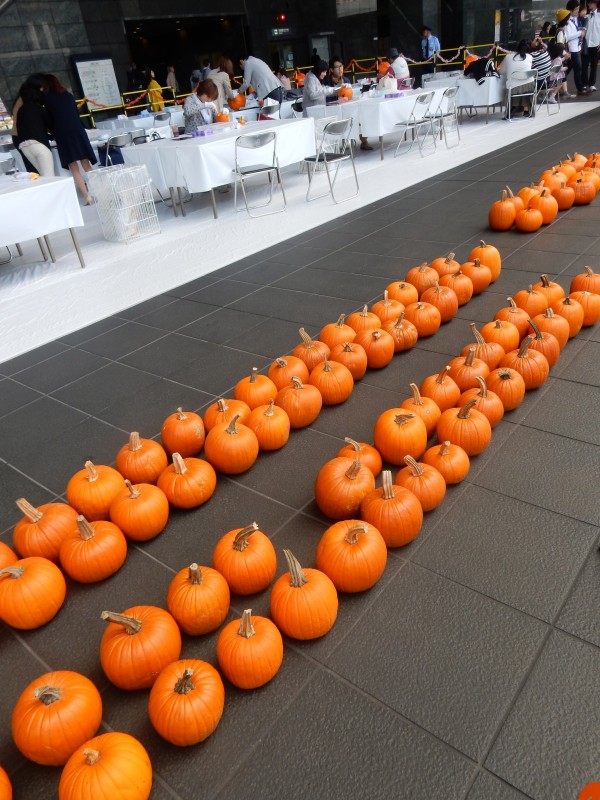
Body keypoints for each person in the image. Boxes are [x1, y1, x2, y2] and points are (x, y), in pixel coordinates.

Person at [38, 73, 97, 203]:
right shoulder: (68, 96)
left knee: (73, 166)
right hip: (77, 130)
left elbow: (49, 120)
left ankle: (86, 196)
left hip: (62, 133)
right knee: (86, 163)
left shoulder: (46, 99)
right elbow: (76, 114)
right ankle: (99, 191)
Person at [15, 78, 55, 176]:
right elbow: (52, 125)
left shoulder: (21, 110)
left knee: (42, 176)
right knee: (50, 177)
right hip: (39, 144)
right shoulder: (38, 109)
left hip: (24, 146)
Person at [498, 39, 534, 116]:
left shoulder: (508, 57)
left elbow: (502, 71)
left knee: (516, 85)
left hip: (513, 87)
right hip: (529, 86)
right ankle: (526, 109)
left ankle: (514, 106)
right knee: (526, 83)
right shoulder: (530, 57)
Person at [556, 7, 587, 93]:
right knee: (575, 68)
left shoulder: (573, 21)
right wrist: (580, 33)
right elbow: (561, 43)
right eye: (576, 9)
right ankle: (579, 88)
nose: (578, 11)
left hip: (572, 49)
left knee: (566, 69)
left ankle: (557, 86)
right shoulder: (562, 29)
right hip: (569, 50)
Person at [585, 0, 600, 90]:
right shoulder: (586, 16)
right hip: (586, 44)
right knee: (584, 65)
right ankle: (584, 83)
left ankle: (591, 84)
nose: (589, 4)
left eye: (590, 3)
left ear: (595, 4)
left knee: (594, 65)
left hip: (596, 44)